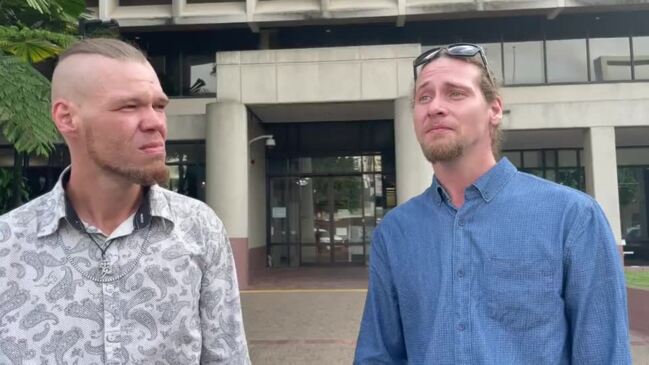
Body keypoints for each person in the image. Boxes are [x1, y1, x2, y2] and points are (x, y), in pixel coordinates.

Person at [354, 43, 631, 364]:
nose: (435, 107)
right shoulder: (396, 232)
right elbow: (378, 355)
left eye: (455, 93)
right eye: (423, 97)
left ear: (494, 110)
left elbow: (604, 355)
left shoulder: (574, 218)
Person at [0, 38, 250, 364]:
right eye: (128, 107)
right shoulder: (9, 245)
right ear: (66, 118)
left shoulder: (199, 229)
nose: (155, 123)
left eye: (159, 106)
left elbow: (227, 358)